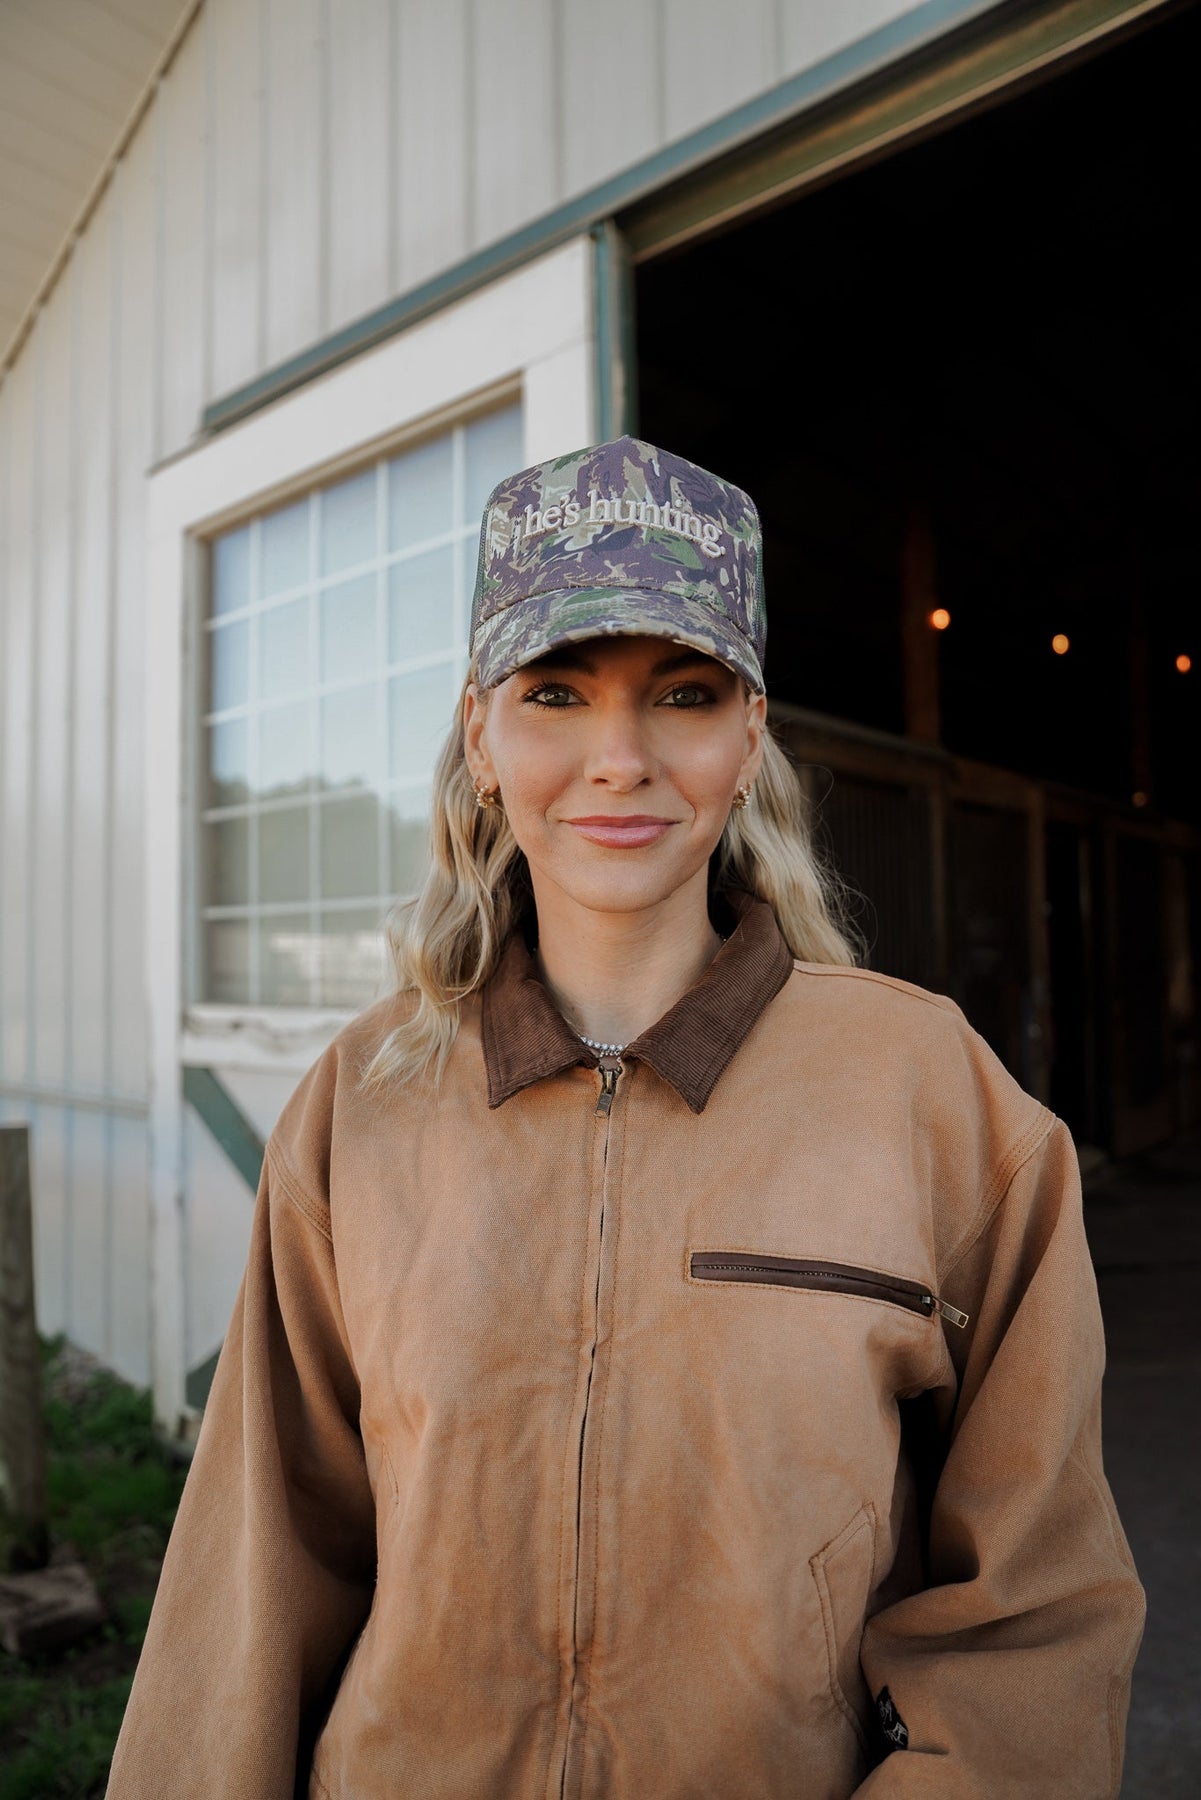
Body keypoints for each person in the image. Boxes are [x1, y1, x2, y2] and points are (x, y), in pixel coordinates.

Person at [109, 435, 1144, 1799]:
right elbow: (255, 1574)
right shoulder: (362, 1105)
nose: (619, 759)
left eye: (682, 693)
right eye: (555, 692)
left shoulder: (929, 1096)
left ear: (750, 735)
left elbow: (1035, 1617)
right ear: (481, 736)